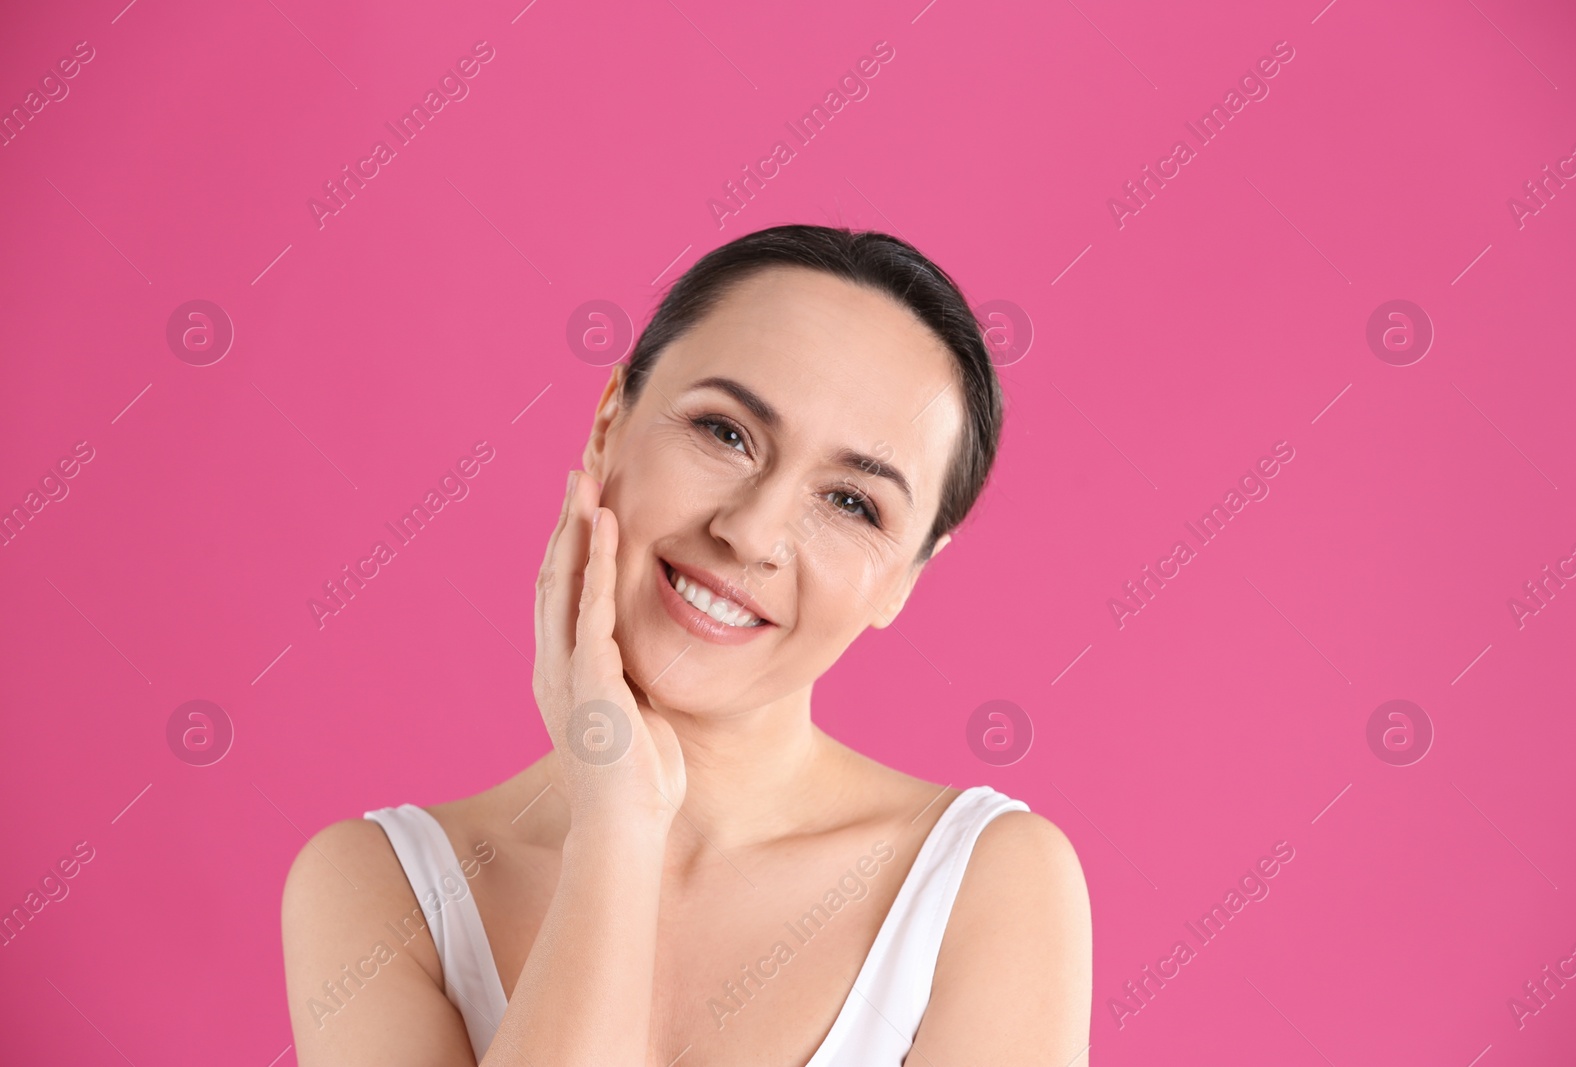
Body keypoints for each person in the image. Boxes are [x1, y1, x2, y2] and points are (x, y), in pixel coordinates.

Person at [281, 224, 1092, 1066]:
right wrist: (617, 829)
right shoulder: (383, 889)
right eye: (725, 432)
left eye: (853, 503)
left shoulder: (986, 887)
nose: (750, 532)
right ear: (608, 422)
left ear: (906, 579)